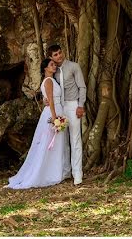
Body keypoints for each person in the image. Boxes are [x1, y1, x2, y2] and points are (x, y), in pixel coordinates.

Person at [5, 58, 71, 189]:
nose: (54, 66)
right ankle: (50, 172)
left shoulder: (49, 81)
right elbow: (51, 100)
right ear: (45, 68)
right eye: (51, 65)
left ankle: (57, 170)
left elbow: (47, 99)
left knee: (56, 143)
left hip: (55, 110)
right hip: (53, 112)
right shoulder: (48, 81)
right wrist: (54, 118)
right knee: (51, 143)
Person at [47, 44, 86, 186]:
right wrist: (47, 99)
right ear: (51, 58)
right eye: (55, 55)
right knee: (62, 141)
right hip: (59, 107)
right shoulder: (53, 71)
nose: (59, 56)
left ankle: (77, 174)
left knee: (75, 139)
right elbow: (49, 88)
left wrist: (80, 105)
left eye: (60, 53)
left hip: (72, 105)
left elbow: (82, 86)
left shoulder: (74, 66)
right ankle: (64, 171)